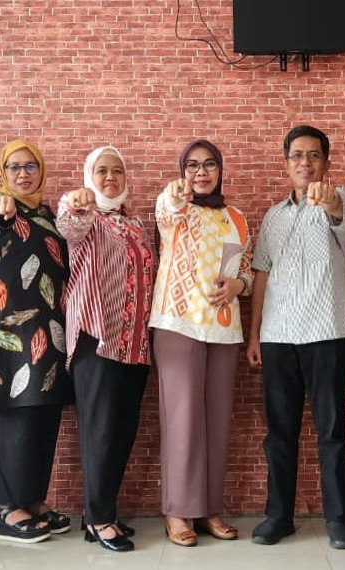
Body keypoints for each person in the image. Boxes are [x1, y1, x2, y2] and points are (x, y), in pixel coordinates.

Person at [246, 125, 345, 550]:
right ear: (286, 162)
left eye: (314, 155)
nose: (305, 162)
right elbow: (261, 274)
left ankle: (338, 519)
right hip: (277, 336)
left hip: (328, 333)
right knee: (279, 432)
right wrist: (255, 335)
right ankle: (279, 516)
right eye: (297, 155)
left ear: (326, 162)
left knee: (331, 431)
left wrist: (326, 200)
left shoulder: (339, 198)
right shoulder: (273, 216)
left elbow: (336, 211)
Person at [151, 139, 253, 547]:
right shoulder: (174, 208)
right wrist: (176, 194)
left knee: (217, 420)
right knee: (182, 419)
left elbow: (246, 269)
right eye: (192, 165)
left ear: (220, 170)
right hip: (178, 324)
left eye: (209, 164)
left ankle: (210, 509)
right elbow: (166, 209)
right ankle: (178, 510)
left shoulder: (236, 217)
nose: (202, 172)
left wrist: (238, 285)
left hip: (224, 329)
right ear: (182, 172)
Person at [56, 145, 153, 553]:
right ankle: (99, 519)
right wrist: (77, 202)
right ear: (89, 177)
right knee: (99, 431)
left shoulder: (137, 225)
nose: (110, 178)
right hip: (96, 338)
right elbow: (68, 225)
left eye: (117, 171)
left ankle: (102, 512)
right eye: (101, 171)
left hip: (134, 342)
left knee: (122, 430)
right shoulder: (86, 217)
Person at [0, 140, 72, 544]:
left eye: (30, 166)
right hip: (12, 328)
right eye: (13, 167)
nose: (23, 174)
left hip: (51, 326)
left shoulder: (47, 215)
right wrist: (1, 209)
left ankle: (32, 499)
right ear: (3, 172)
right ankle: (6, 508)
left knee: (44, 414)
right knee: (16, 414)